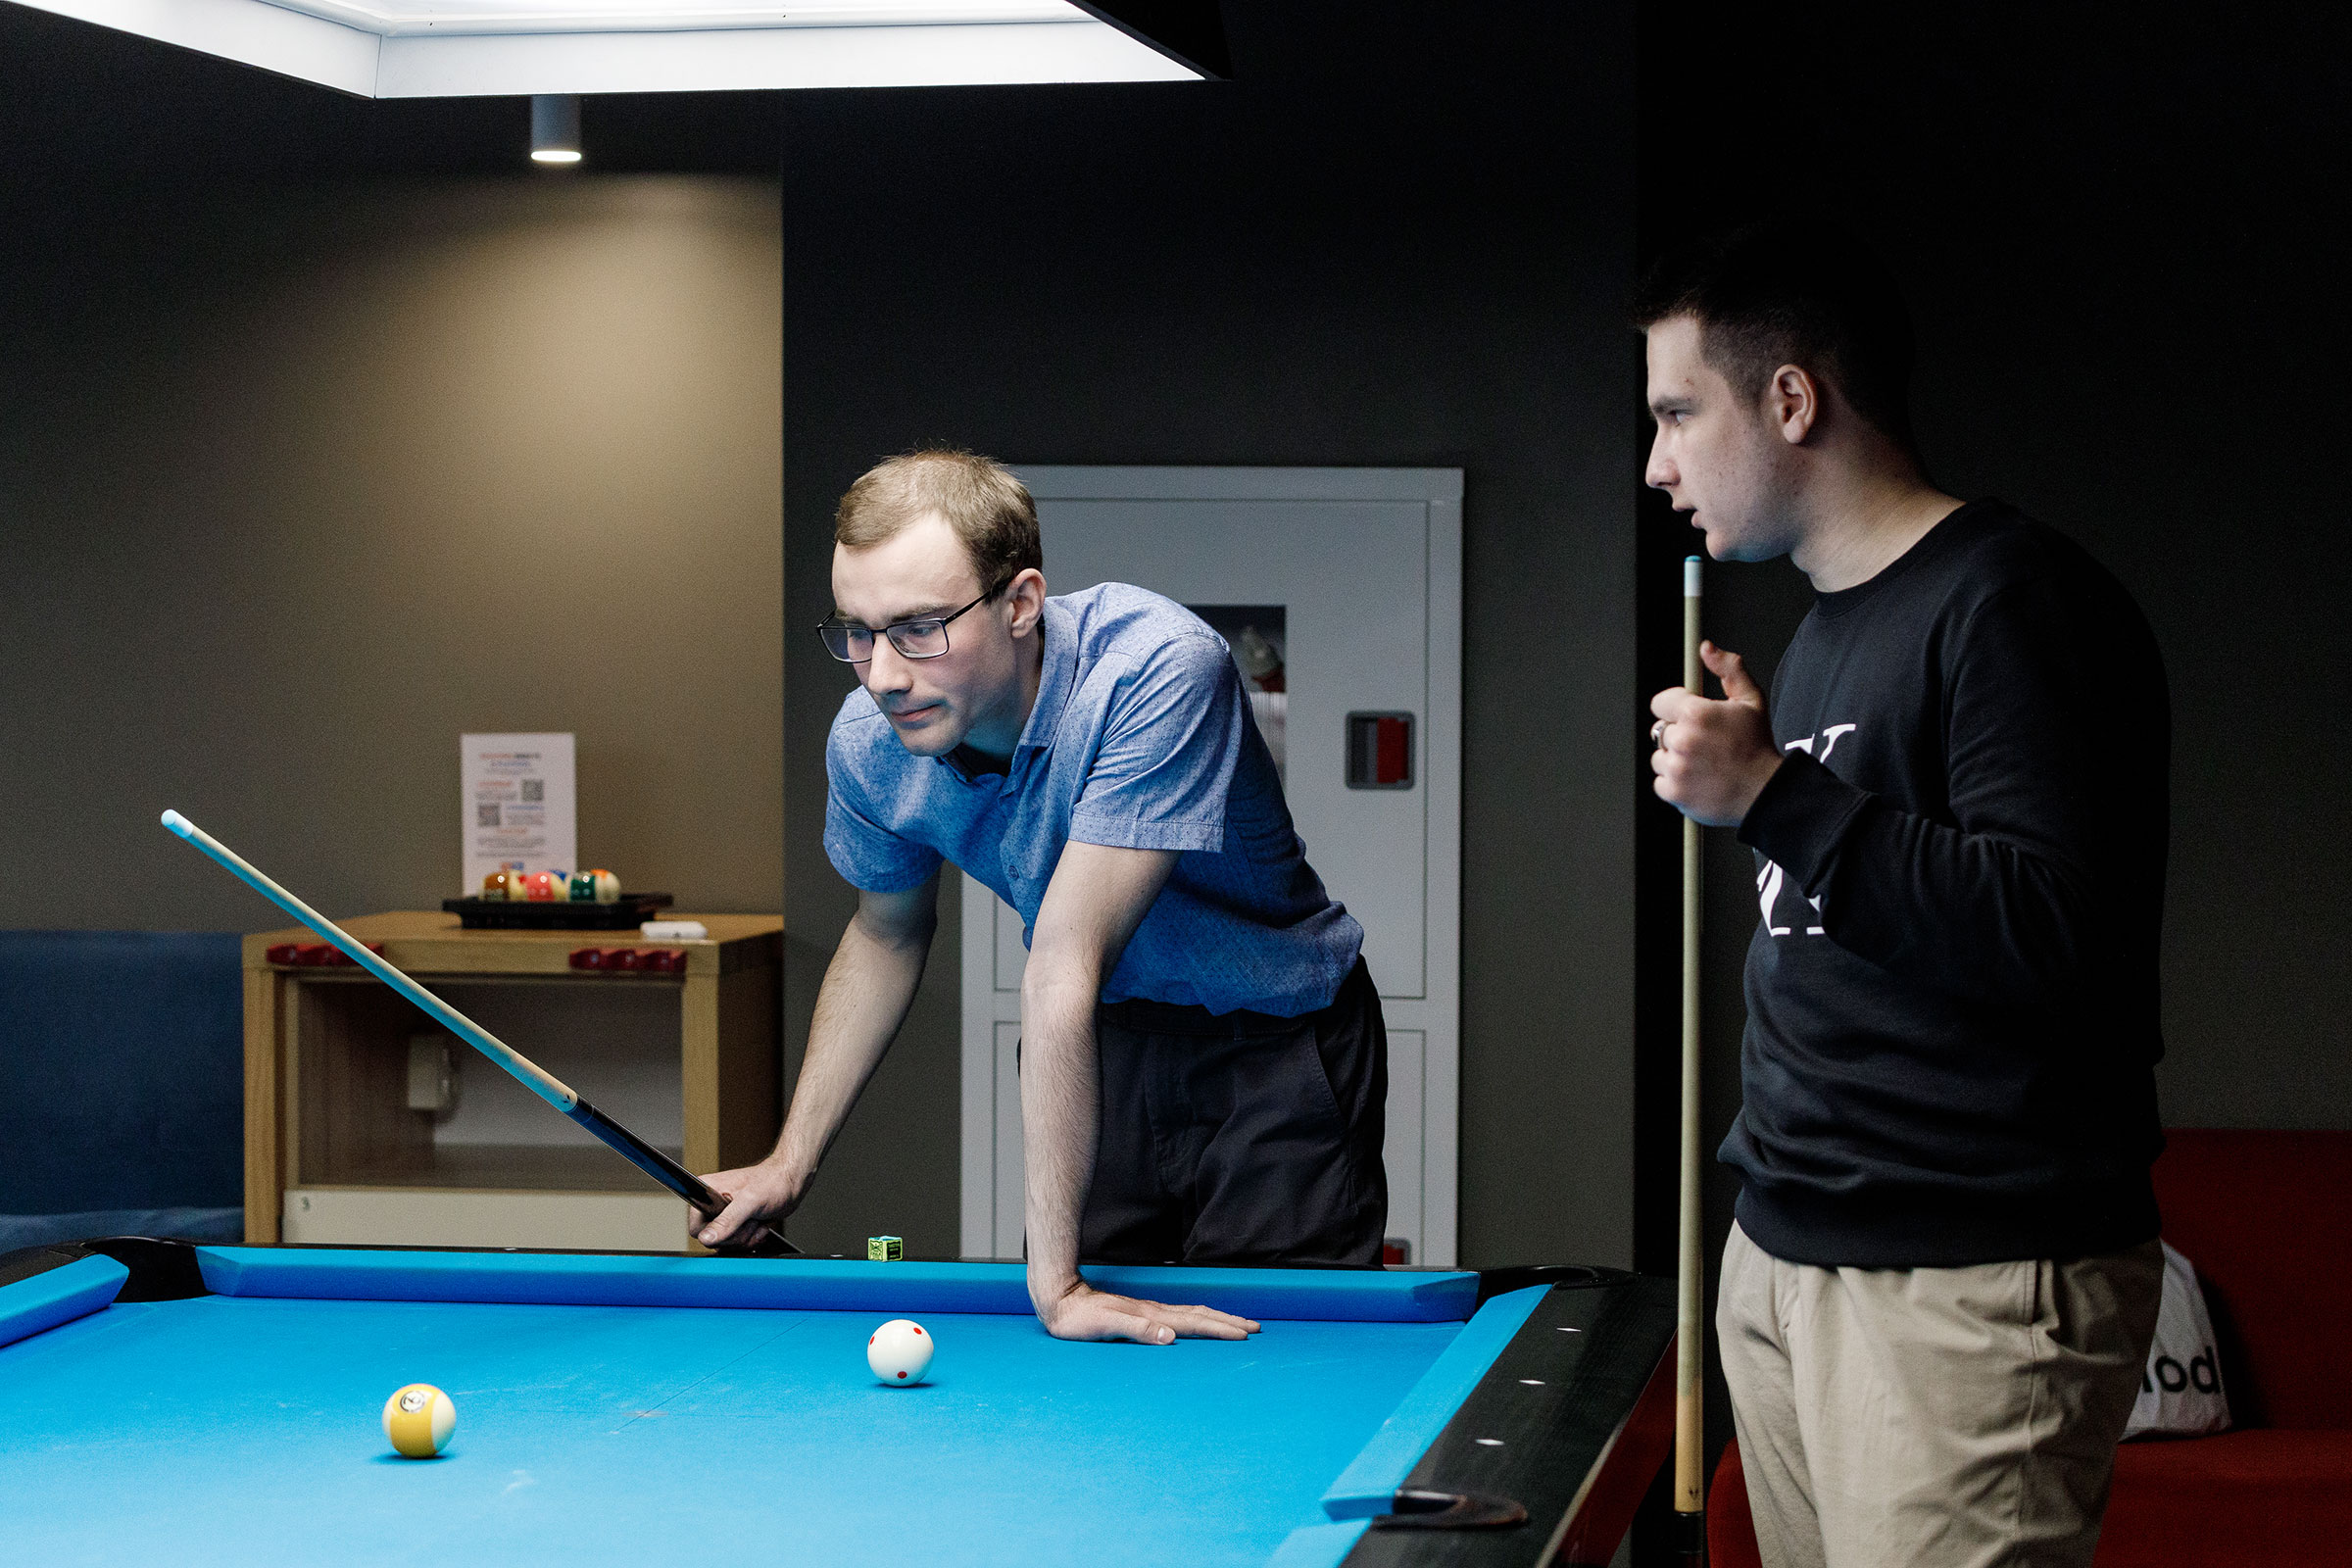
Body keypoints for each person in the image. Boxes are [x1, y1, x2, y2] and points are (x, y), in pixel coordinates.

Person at [1637, 222, 2168, 1568]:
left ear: (1792, 400)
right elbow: (1854, 938)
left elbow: (2056, 930)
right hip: (1785, 1254)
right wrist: (1770, 793)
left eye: (1679, 414)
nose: (1658, 465)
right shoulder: (1825, 631)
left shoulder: (2012, 601)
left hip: (1960, 1284)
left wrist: (1774, 796)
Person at [697, 450, 1387, 1345]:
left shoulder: (1157, 671)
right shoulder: (870, 742)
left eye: (918, 629)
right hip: (1104, 1039)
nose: (882, 674)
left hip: (1276, 1046)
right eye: (858, 632)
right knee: (1102, 1351)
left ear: (1020, 603)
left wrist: (1053, 1286)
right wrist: (791, 1161)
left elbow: (1065, 961)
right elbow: (886, 934)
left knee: (1274, 1351)